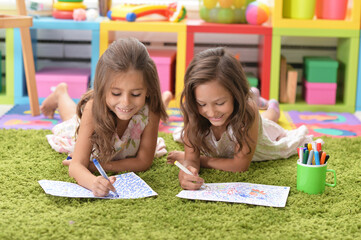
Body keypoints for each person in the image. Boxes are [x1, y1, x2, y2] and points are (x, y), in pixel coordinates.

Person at [41, 37, 173, 197]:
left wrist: (96, 166)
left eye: (136, 94)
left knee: (155, 108)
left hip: (137, 120)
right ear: (102, 89)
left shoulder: (150, 109)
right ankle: (61, 93)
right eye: (116, 93)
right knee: (71, 120)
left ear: (148, 90)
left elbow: (144, 162)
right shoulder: (93, 108)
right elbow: (76, 165)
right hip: (92, 117)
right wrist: (92, 182)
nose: (126, 102)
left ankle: (164, 98)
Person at [167, 47, 313, 190]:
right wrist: (186, 171)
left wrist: (198, 159)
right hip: (237, 116)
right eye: (202, 103)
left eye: (219, 103)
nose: (211, 112)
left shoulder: (247, 113)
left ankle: (272, 106)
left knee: (269, 120)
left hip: (254, 128)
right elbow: (191, 159)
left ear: (236, 96)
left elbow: (239, 166)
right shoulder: (193, 110)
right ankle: (256, 97)